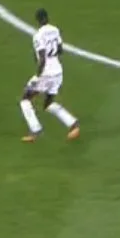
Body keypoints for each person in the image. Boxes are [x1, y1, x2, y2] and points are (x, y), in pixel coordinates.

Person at [19, 8, 81, 142]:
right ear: (47, 18)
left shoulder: (38, 35)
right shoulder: (55, 30)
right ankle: (73, 124)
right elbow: (60, 49)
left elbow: (42, 58)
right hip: (58, 71)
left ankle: (35, 129)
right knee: (48, 104)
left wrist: (37, 76)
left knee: (25, 99)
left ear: (37, 20)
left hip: (46, 73)